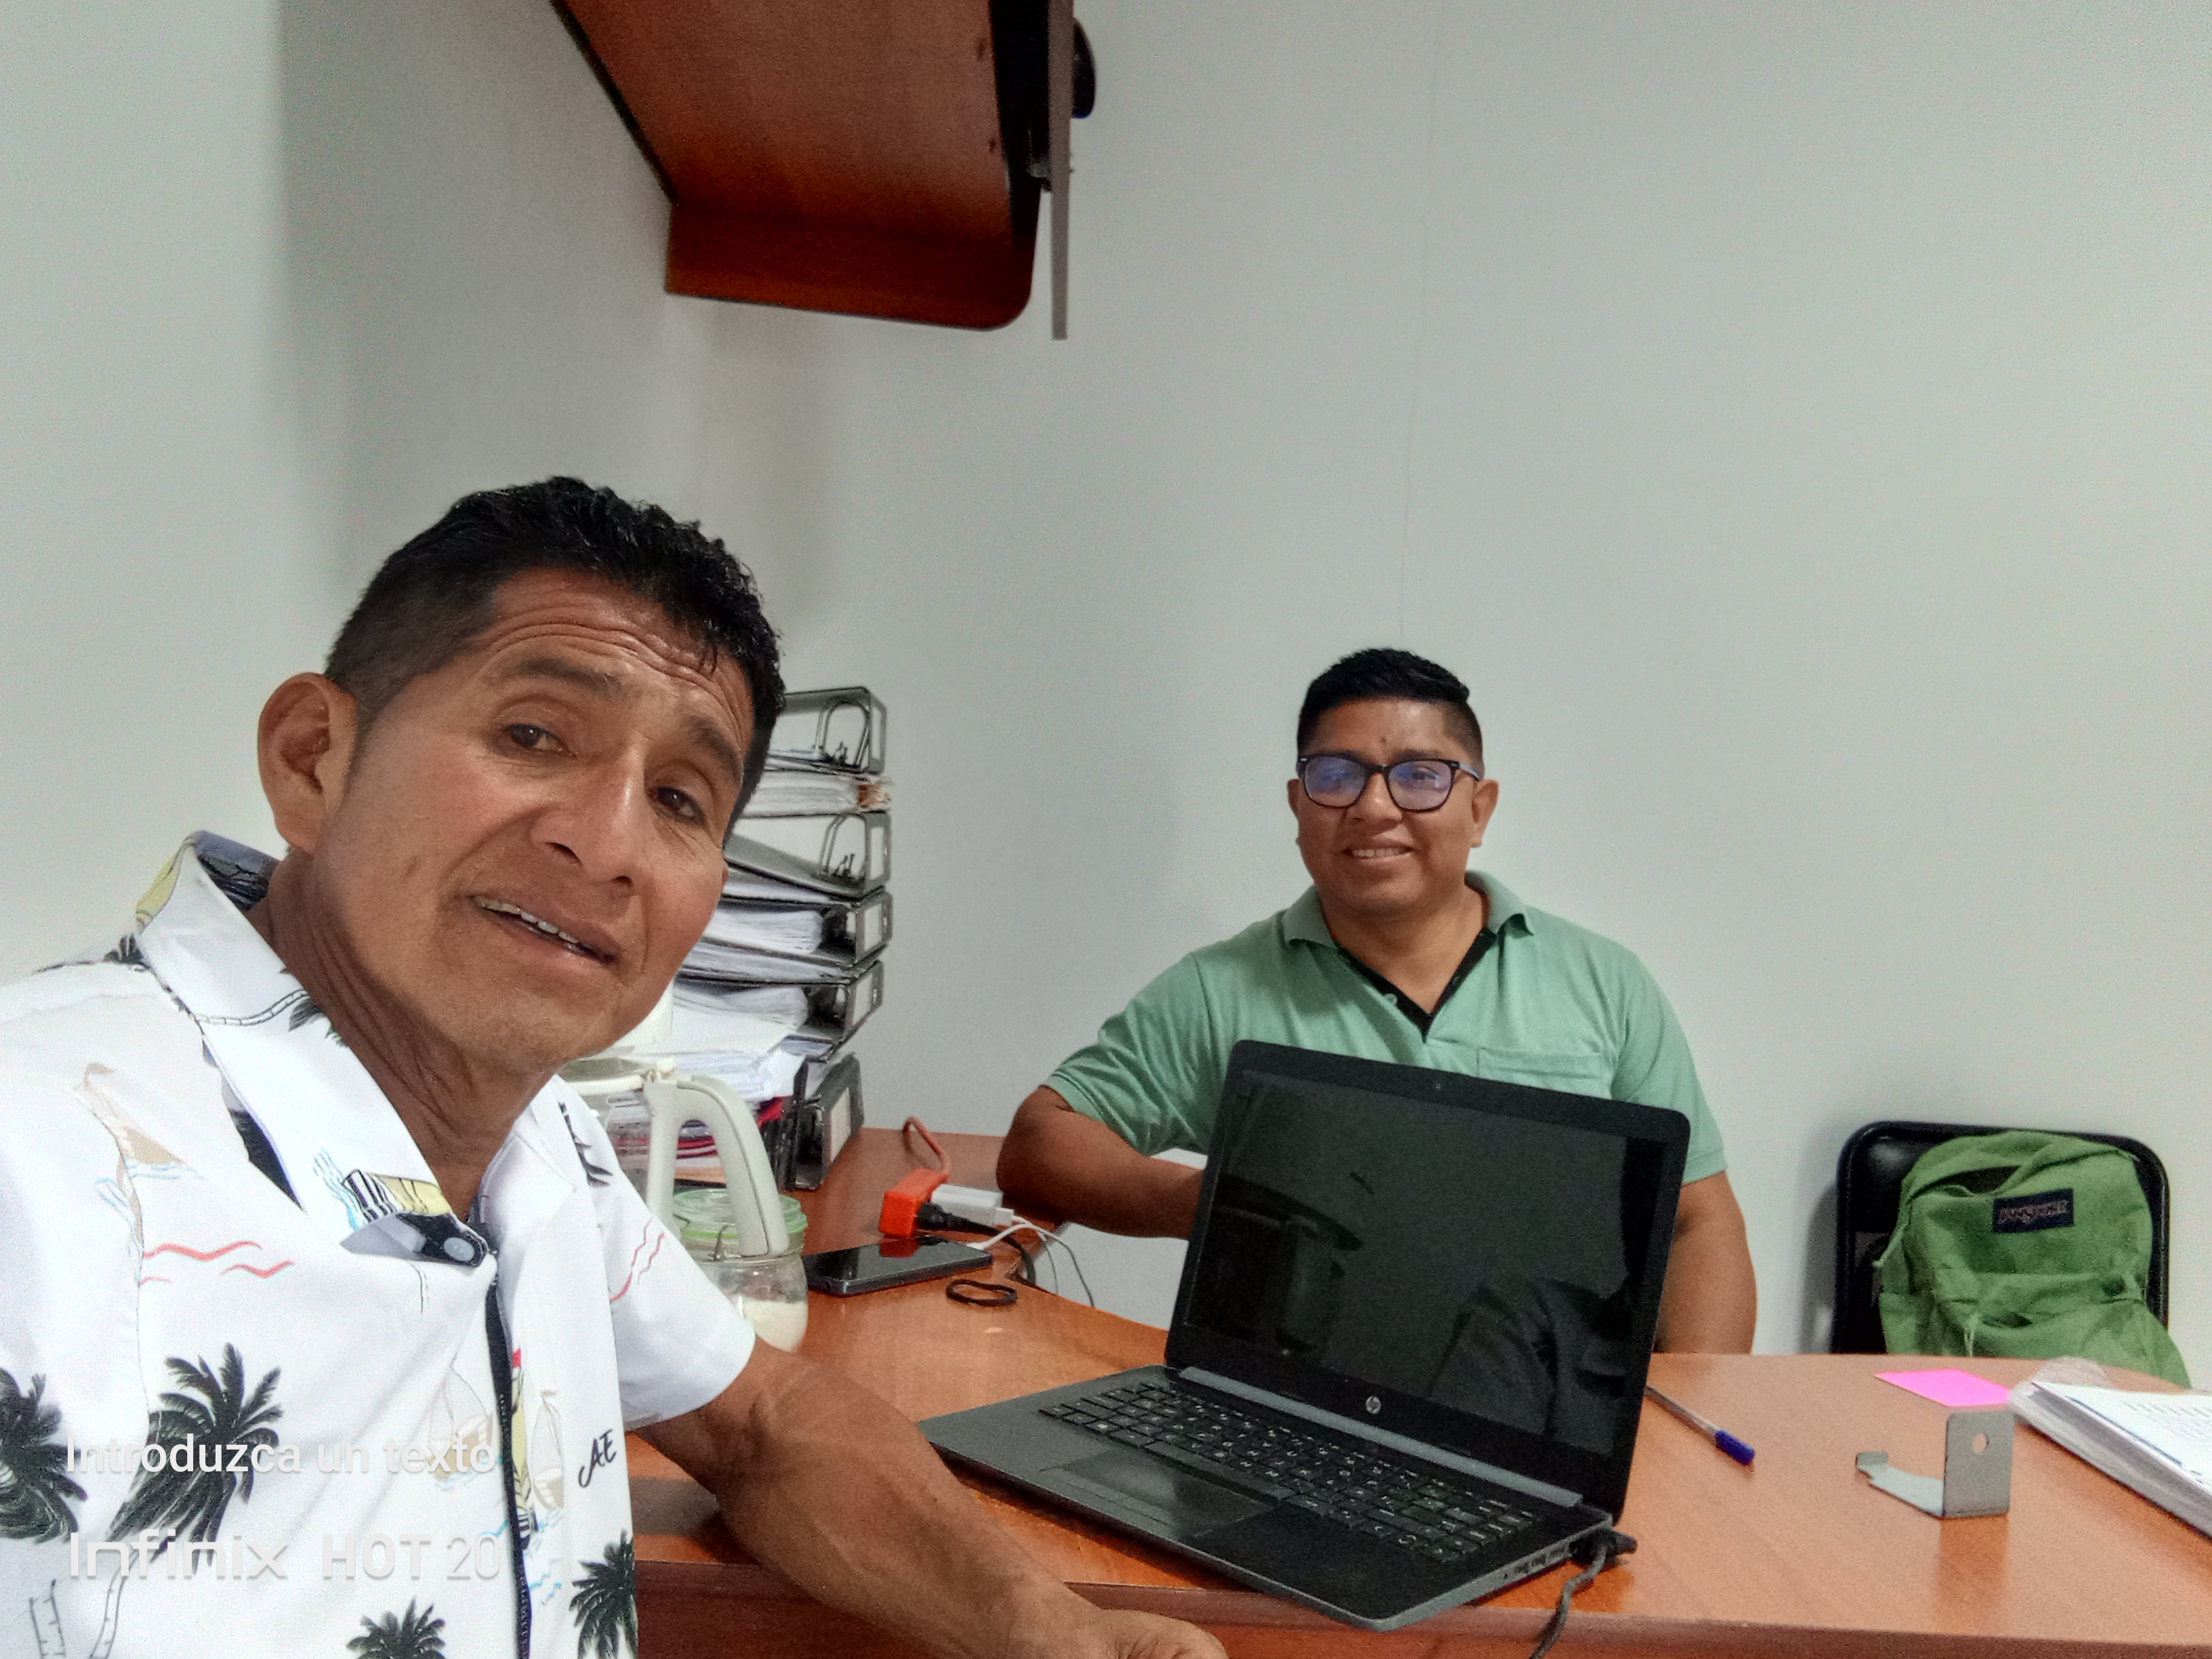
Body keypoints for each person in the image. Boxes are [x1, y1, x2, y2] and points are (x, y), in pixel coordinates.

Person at [0, 480, 1221, 1659]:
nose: (609, 842)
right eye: (532, 734)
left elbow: (764, 1419)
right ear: (314, 757)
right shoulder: (39, 1156)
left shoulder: (538, 1143)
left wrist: (1061, 1635)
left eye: (681, 798)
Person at [998, 648, 1757, 1353]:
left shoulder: (1604, 984)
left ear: (1479, 809)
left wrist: (1684, 1418)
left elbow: (1697, 1222)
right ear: (1298, 805)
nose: (1374, 807)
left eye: (1421, 776)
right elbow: (1041, 1139)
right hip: (1286, 1405)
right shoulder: (1222, 988)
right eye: (1336, 775)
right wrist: (1205, 1202)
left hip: (1541, 1407)